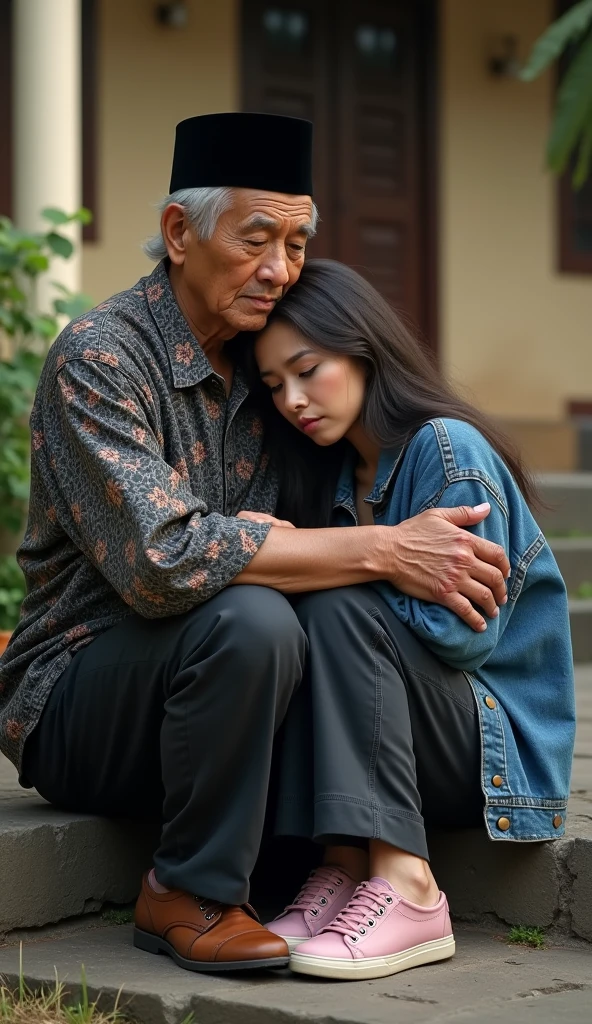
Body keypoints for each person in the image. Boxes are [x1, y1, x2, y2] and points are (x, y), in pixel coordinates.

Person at [0, 114, 511, 976]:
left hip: (229, 699)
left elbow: (314, 545)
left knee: (283, 612)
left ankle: (326, 869)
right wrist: (378, 549)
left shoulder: (275, 370)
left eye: (299, 242)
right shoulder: (102, 359)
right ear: (178, 233)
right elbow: (164, 562)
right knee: (253, 617)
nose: (280, 270)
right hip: (81, 698)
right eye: (256, 239)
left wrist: (301, 545)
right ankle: (189, 893)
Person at [252, 259, 575, 981]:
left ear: (362, 349)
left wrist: (362, 565)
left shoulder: (445, 450)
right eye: (275, 385)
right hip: (406, 737)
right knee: (325, 609)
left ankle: (410, 888)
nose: (294, 400)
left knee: (337, 606)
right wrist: (373, 556)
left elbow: (465, 636)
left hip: (494, 746)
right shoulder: (333, 477)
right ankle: (340, 868)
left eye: (308, 370)